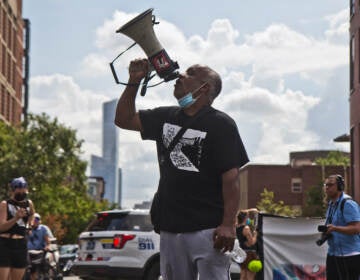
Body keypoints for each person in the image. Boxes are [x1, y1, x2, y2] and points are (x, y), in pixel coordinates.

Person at [115, 59, 249, 279]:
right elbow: (123, 119)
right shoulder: (165, 117)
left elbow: (231, 178)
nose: (180, 75)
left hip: (208, 230)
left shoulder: (222, 124)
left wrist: (228, 224)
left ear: (204, 87)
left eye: (190, 73)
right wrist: (133, 81)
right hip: (170, 227)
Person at [323, 174, 360, 280]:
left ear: (340, 186)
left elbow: (356, 228)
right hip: (333, 254)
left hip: (350, 255)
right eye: (326, 185)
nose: (327, 187)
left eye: (330, 184)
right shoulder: (331, 205)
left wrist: (335, 228)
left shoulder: (348, 203)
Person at [0, 177, 35, 280]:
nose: (22, 191)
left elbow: (32, 214)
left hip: (21, 245)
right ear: (13, 190)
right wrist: (16, 218)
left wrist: (30, 224)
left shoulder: (29, 203)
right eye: (19, 189)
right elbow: (1, 227)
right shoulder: (5, 204)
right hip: (5, 244)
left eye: (24, 189)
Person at [27, 213, 55, 280]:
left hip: (40, 252)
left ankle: (46, 275)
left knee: (46, 261)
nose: (35, 221)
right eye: (34, 220)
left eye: (37, 220)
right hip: (28, 253)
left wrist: (47, 247)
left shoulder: (43, 229)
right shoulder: (27, 229)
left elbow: (48, 242)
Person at [236, 209, 259, 280]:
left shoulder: (237, 227)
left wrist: (250, 211)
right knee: (250, 276)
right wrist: (255, 234)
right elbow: (252, 242)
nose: (248, 219)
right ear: (245, 218)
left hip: (241, 253)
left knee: (243, 274)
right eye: (247, 217)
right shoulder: (246, 228)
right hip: (249, 253)